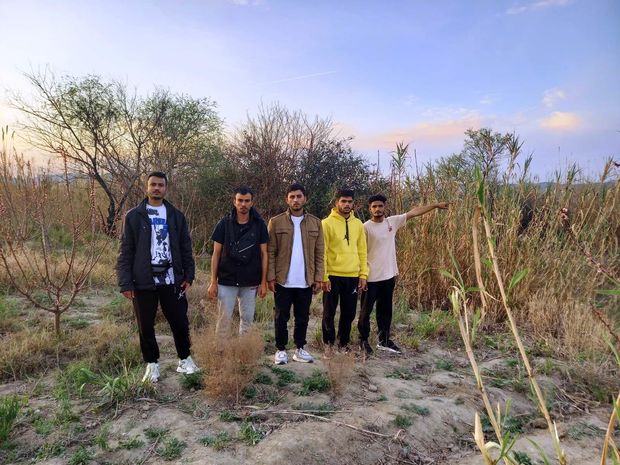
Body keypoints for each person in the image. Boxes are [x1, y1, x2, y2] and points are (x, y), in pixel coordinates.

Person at [117, 171, 198, 383]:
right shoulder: (134, 216)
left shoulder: (176, 216)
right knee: (145, 325)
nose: (156, 188)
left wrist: (189, 275)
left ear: (166, 188)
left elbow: (185, 248)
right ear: (147, 187)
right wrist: (125, 282)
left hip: (172, 279)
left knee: (179, 321)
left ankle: (185, 359)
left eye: (160, 185)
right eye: (153, 184)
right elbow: (126, 251)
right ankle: (152, 364)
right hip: (143, 280)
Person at [358, 194, 449, 355]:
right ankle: (363, 340)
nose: (377, 209)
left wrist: (435, 205)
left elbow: (414, 212)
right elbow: (360, 252)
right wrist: (362, 276)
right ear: (370, 209)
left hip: (388, 276)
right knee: (366, 311)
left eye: (380, 206)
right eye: (374, 207)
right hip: (371, 277)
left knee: (385, 310)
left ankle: (384, 340)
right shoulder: (365, 227)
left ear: (384, 207)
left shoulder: (392, 222)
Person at [267, 183, 324, 365]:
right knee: (281, 316)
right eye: (292, 197)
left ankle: (300, 349)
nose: (296, 200)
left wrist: (318, 277)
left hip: (305, 280)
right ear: (287, 199)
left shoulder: (315, 223)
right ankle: (281, 349)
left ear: (305, 199)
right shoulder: (276, 222)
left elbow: (319, 253)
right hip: (283, 280)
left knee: (302, 317)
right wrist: (270, 277)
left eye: (299, 196)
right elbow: (270, 252)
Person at [208, 186, 268, 338]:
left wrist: (263, 282)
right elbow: (216, 254)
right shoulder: (224, 224)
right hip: (226, 279)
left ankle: (244, 350)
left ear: (252, 202)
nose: (243, 204)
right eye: (240, 200)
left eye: (247, 201)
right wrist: (213, 281)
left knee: (247, 321)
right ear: (234, 201)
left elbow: (264, 253)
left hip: (250, 280)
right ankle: (220, 350)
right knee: (223, 321)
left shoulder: (260, 225)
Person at [321, 188, 368, 352]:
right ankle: (328, 344)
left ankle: (343, 343)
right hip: (332, 275)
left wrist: (363, 274)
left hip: (352, 275)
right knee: (329, 312)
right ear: (337, 203)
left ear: (353, 203)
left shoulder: (358, 224)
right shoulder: (326, 223)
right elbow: (322, 252)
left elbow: (362, 250)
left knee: (349, 313)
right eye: (343, 201)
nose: (347, 204)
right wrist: (324, 276)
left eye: (349, 201)